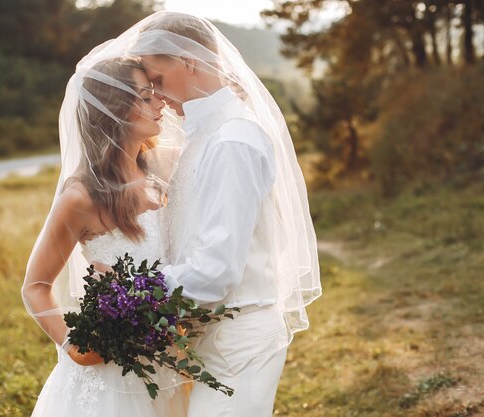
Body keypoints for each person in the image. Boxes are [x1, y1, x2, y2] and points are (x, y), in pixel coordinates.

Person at [130, 11, 323, 417]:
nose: (156, 96)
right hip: (205, 339)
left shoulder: (232, 139)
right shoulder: (203, 134)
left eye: (158, 81)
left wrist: (129, 289)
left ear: (189, 62)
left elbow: (215, 272)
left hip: (238, 345)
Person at [21, 56, 188, 417]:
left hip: (173, 355)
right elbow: (34, 285)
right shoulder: (81, 197)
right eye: (146, 96)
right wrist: (74, 347)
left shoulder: (165, 164)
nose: (160, 102)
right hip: (112, 367)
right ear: (115, 109)